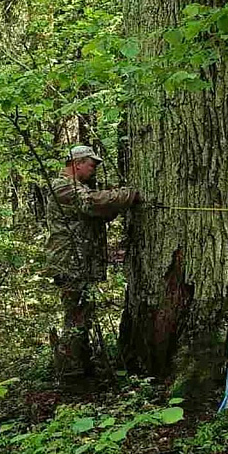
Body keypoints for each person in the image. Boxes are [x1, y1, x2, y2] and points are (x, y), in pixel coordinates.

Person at [45, 145, 141, 376]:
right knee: (76, 317)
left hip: (81, 262)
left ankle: (81, 365)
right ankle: (70, 371)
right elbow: (91, 202)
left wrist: (114, 205)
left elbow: (98, 212)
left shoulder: (77, 188)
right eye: (91, 164)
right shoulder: (63, 187)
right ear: (77, 163)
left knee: (83, 315)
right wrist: (127, 195)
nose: (94, 170)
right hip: (70, 263)